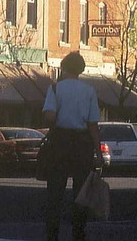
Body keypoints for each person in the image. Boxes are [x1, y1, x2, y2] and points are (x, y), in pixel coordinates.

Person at [42, 52, 102, 241]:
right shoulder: (89, 91)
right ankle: (78, 232)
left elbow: (49, 116)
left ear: (64, 67)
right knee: (81, 192)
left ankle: (52, 234)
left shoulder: (55, 88)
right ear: (80, 70)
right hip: (82, 144)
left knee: (55, 192)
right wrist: (98, 152)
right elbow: (93, 125)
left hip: (60, 142)